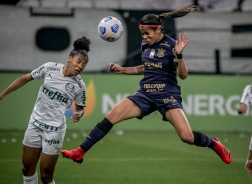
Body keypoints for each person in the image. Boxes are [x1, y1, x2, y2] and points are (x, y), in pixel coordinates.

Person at [61, 5, 232, 166]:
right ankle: (80, 151)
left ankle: (214, 144)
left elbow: (183, 75)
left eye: (147, 33)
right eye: (142, 34)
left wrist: (179, 55)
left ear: (158, 29)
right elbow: (146, 68)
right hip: (145, 94)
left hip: (167, 95)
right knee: (111, 115)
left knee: (186, 136)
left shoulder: (172, 45)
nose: (144, 37)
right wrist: (123, 70)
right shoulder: (145, 45)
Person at [0, 36, 91, 184]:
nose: (80, 66)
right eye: (79, 61)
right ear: (70, 58)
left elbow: (80, 108)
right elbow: (25, 78)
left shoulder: (79, 86)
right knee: (27, 169)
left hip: (55, 129)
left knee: (46, 176)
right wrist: (3, 94)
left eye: (84, 64)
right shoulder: (50, 68)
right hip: (35, 123)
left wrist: (78, 114)